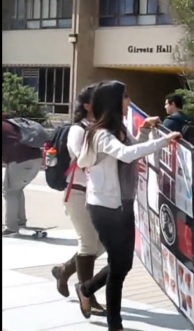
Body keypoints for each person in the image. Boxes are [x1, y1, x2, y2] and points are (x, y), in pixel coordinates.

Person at [73, 80, 181, 331]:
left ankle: (86, 288)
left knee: (123, 264)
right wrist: (163, 142)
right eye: (125, 97)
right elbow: (126, 154)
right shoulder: (100, 134)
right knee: (119, 266)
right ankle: (115, 324)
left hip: (124, 204)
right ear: (112, 101)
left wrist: (144, 131)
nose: (129, 102)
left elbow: (131, 150)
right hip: (104, 207)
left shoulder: (119, 129)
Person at [50, 84, 106, 315]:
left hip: (98, 194)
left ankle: (64, 270)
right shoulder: (78, 130)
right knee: (87, 243)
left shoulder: (101, 129)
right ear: (87, 106)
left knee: (100, 244)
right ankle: (87, 294)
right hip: (78, 191)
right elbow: (83, 160)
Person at [2, 113, 43, 236]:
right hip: (36, 159)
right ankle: (20, 222)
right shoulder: (12, 124)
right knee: (16, 189)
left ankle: (11, 228)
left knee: (10, 192)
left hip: (20, 161)